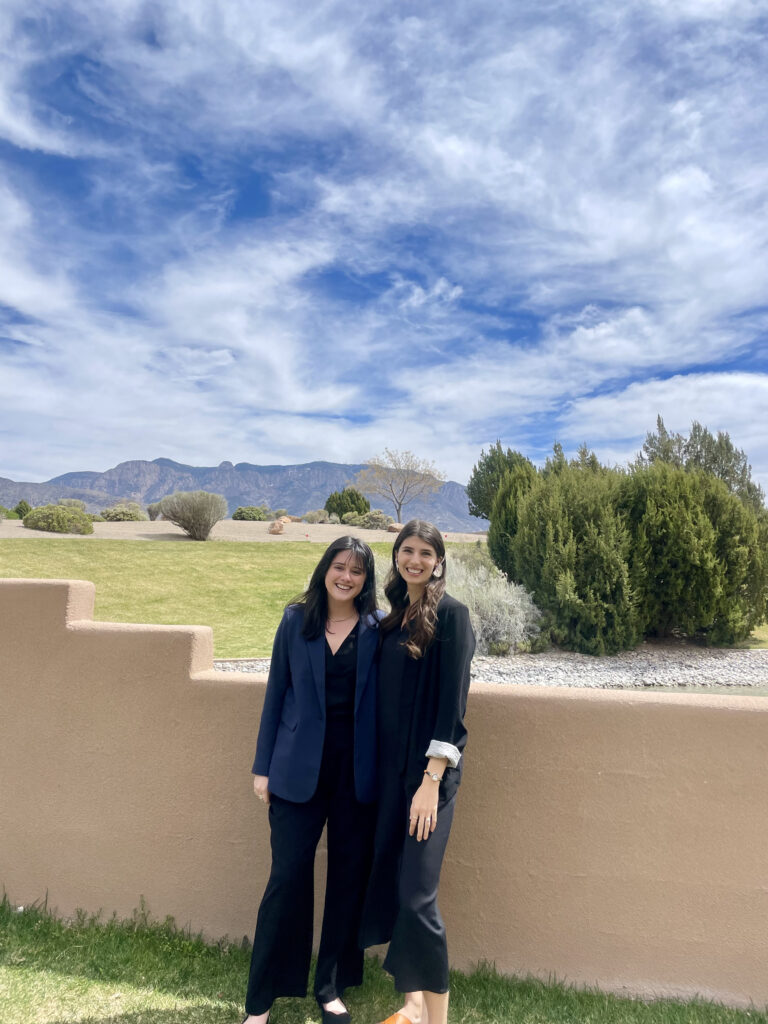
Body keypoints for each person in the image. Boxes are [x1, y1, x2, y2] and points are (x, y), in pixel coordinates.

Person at [243, 536, 380, 1024]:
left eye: (357, 571)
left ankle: (330, 987)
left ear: (367, 581)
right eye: (339, 566)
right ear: (325, 569)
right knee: (286, 880)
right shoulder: (294, 622)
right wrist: (263, 767)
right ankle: (260, 1001)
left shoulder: (376, 630)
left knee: (347, 882)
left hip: (356, 779)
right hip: (296, 774)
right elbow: (275, 693)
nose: (347, 576)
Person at [361, 520, 475, 1024]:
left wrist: (430, 784)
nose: (415, 559)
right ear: (396, 557)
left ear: (439, 561)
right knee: (393, 886)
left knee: (417, 896)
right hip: (390, 780)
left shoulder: (453, 617)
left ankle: (438, 1019)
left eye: (425, 552)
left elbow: (452, 707)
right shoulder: (392, 620)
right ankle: (411, 1006)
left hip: (429, 783)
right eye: (407, 550)